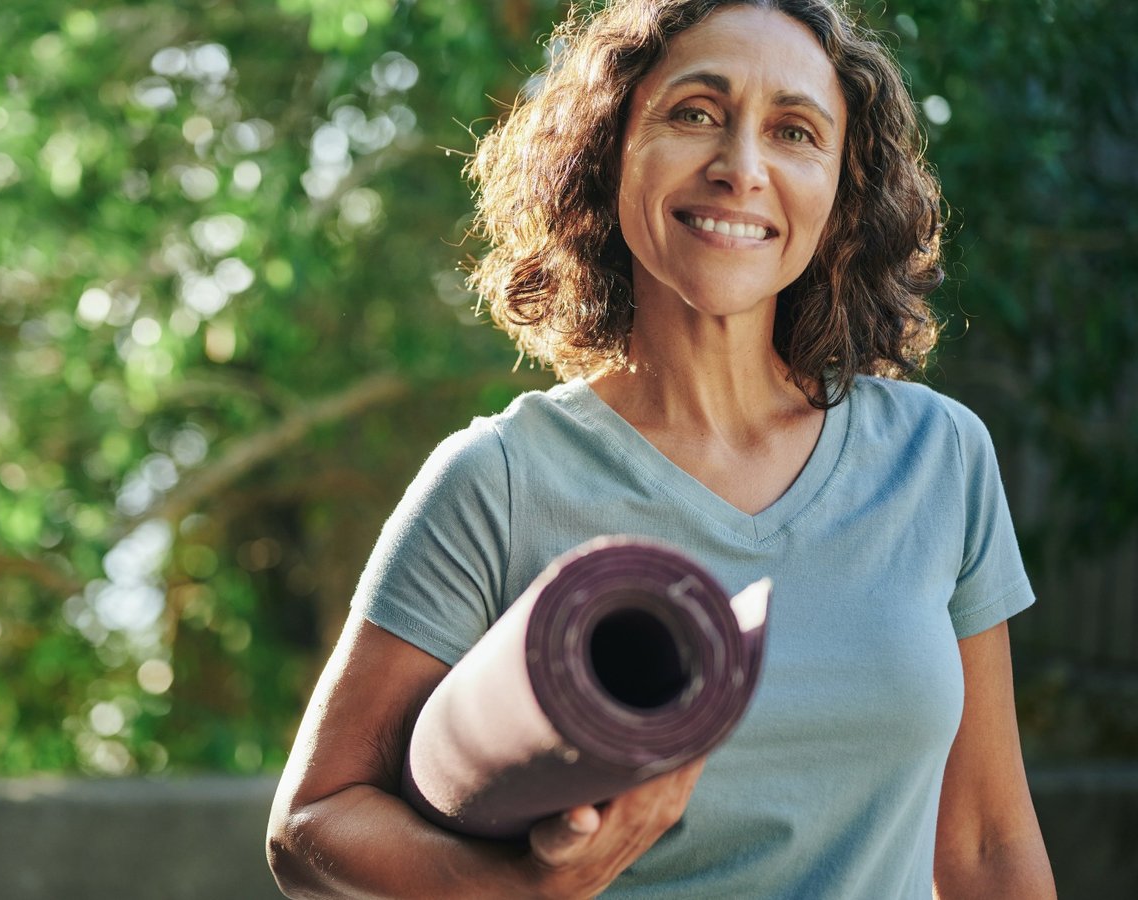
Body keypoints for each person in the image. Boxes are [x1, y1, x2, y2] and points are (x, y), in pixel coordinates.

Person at [266, 0, 1056, 897]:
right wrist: (514, 892)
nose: (741, 169)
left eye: (795, 131)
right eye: (695, 114)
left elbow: (987, 840)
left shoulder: (938, 456)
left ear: (841, 192)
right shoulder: (501, 480)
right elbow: (311, 823)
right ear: (612, 151)